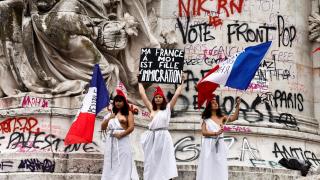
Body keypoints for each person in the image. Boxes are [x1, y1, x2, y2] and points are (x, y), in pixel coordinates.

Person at [138, 78, 185, 180]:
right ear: (154, 99)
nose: (158, 98)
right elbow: (143, 95)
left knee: (165, 160)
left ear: (163, 99)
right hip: (152, 138)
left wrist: (181, 83)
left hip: (164, 137)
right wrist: (140, 81)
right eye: (156, 97)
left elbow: (176, 95)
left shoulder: (167, 108)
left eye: (160, 97)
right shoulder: (151, 109)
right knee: (152, 161)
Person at [196, 94, 241, 180]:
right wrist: (216, 133)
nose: (216, 103)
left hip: (219, 144)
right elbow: (204, 132)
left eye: (216, 102)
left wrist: (238, 106)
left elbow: (234, 118)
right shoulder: (205, 118)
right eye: (213, 103)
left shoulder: (222, 117)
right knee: (208, 165)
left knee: (219, 165)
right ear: (209, 107)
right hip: (208, 145)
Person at [101, 89, 139, 180]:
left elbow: (131, 127)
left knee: (123, 159)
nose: (118, 103)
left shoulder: (128, 113)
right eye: (116, 101)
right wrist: (109, 118)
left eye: (120, 101)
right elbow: (103, 127)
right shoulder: (110, 114)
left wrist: (121, 134)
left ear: (124, 102)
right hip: (111, 140)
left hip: (123, 139)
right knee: (111, 160)